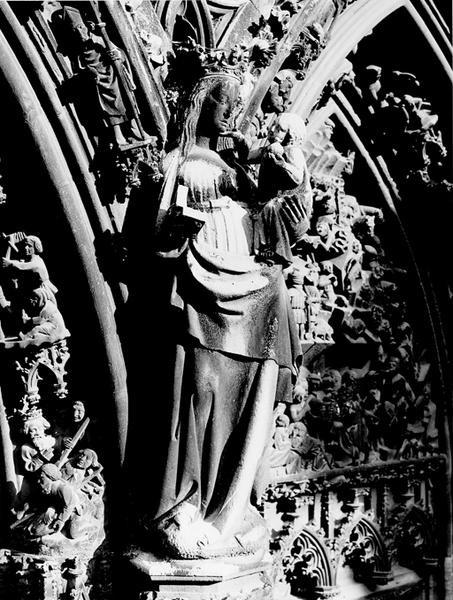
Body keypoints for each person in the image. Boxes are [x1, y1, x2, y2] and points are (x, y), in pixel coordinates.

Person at [149, 69, 301, 559]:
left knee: (250, 373)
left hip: (246, 276)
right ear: (201, 104)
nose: (232, 111)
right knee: (203, 388)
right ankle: (188, 502)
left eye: (237, 102)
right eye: (224, 101)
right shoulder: (183, 160)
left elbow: (267, 211)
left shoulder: (235, 160)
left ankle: (233, 501)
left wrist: (284, 182)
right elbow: (159, 227)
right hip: (202, 278)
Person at [254, 112, 313, 265]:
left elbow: (296, 178)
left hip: (293, 211)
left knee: (270, 207)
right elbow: (246, 157)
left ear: (290, 135)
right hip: (278, 204)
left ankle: (279, 253)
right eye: (273, 125)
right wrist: (241, 139)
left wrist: (282, 165)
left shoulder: (293, 151)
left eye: (278, 128)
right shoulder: (272, 149)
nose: (271, 129)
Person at [2, 235, 58, 305]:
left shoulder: (37, 263)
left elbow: (23, 266)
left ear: (36, 247)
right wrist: (12, 244)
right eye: (25, 245)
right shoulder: (32, 259)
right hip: (34, 288)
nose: (26, 248)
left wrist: (10, 263)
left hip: (41, 292)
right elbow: (22, 261)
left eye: (29, 246)